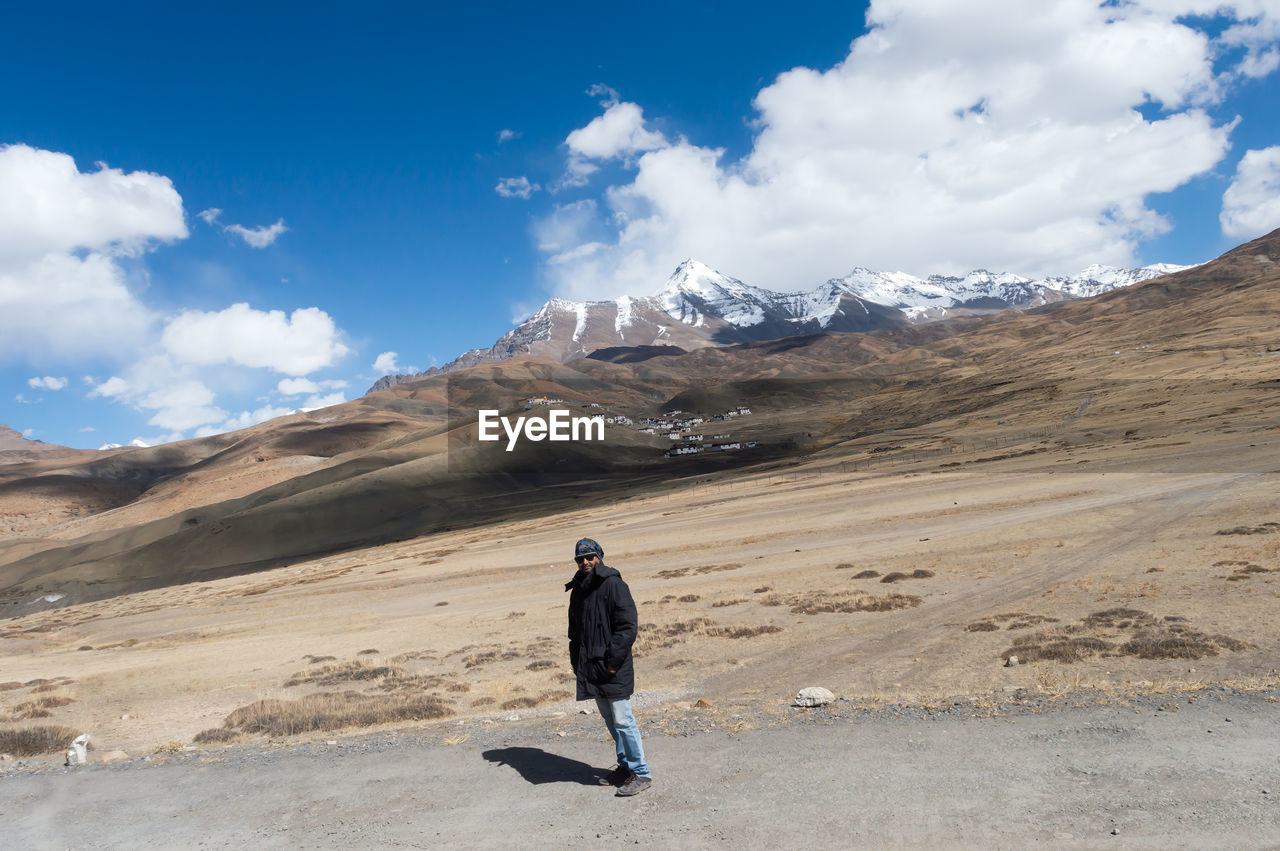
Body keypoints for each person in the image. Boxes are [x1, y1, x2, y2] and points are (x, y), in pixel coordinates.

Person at [565, 537, 652, 796]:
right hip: (591, 667)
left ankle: (642, 773)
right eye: (580, 558)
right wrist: (576, 663)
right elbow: (575, 632)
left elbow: (627, 627)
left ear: (599, 557)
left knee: (624, 720)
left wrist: (612, 664)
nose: (585, 562)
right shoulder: (579, 590)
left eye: (589, 557)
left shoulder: (614, 584)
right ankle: (625, 768)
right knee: (610, 720)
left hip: (613, 667)